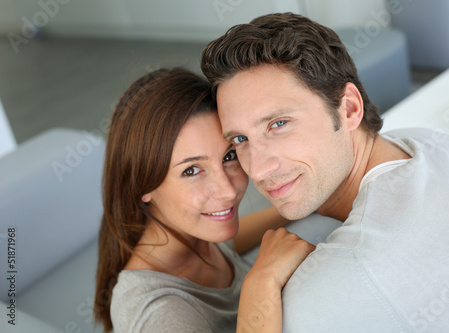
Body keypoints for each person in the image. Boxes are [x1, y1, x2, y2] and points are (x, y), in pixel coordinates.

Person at [200, 12, 449, 332]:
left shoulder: (327, 292)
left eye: (278, 124)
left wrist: (258, 282)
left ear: (349, 108)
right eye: (240, 139)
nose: (258, 170)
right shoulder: (440, 144)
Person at [93, 67, 315, 332]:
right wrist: (261, 281)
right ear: (143, 184)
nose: (228, 191)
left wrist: (299, 203)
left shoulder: (192, 236)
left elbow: (231, 239)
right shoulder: (162, 314)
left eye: (229, 156)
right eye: (191, 170)